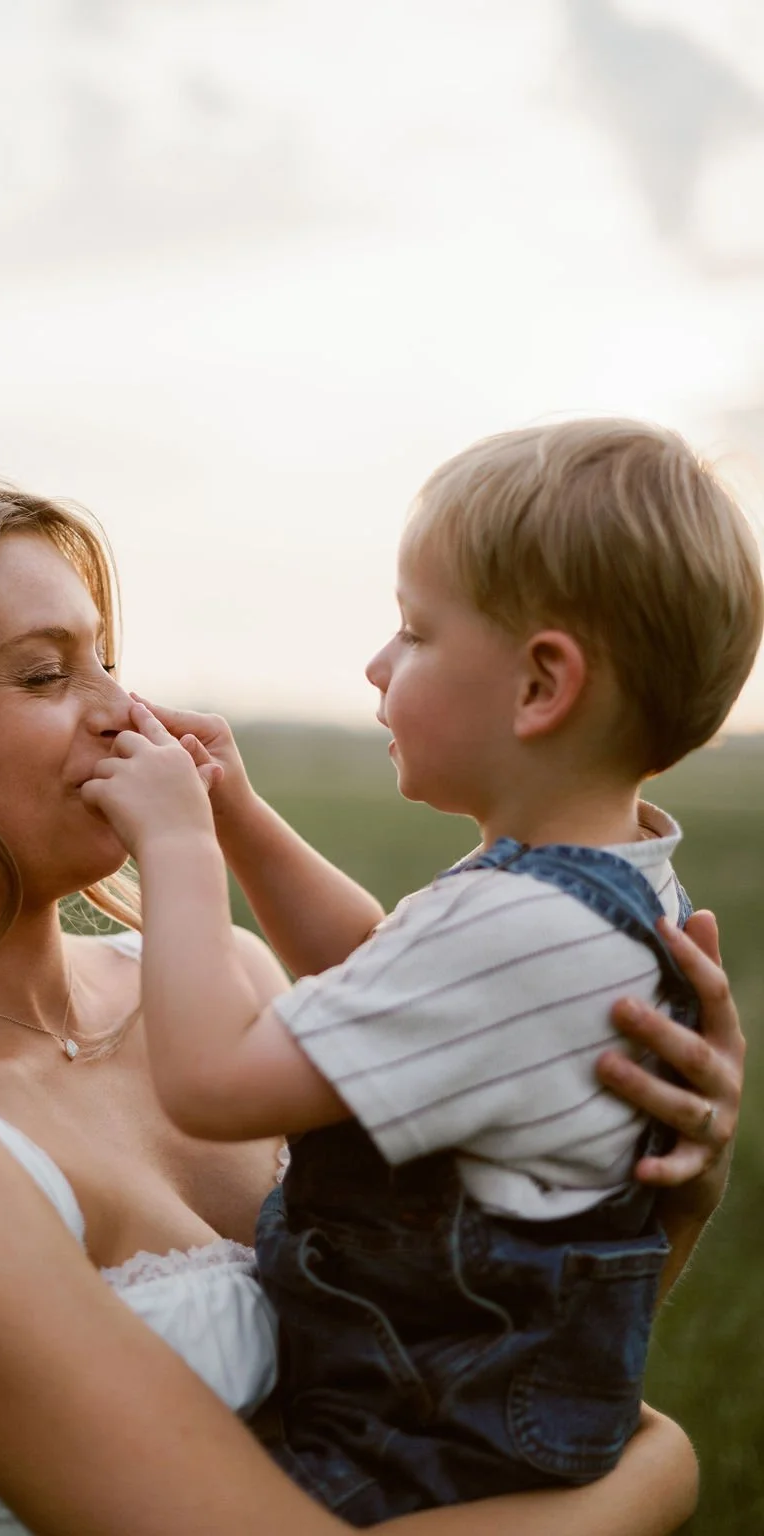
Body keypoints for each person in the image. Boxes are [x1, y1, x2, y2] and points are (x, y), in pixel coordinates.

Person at [0, 469, 742, 1536]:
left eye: (109, 660)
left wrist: (663, 1192)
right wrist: (659, 1469)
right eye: (43, 676)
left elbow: (479, 1366)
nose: (124, 711)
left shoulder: (230, 979)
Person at [79, 420, 762, 1525]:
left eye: (412, 631)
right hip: (476, 1435)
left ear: (541, 685)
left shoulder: (523, 933)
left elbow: (211, 1082)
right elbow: (377, 971)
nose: (374, 665)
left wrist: (178, 847)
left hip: (412, 1461)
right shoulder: (580, 895)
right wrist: (242, 817)